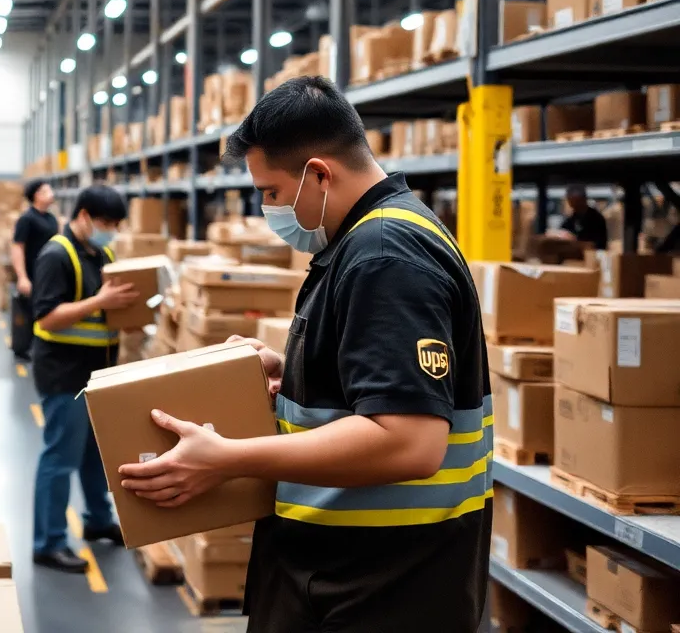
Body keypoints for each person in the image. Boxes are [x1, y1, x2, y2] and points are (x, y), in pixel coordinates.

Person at [118, 77, 492, 632]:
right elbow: (374, 382)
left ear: (318, 173)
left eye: (271, 192)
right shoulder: (368, 240)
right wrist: (293, 368)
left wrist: (227, 457)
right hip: (354, 571)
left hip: (382, 586)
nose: (268, 209)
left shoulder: (383, 255)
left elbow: (410, 442)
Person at [30, 185, 139, 573]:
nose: (111, 230)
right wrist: (100, 303)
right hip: (64, 373)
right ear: (83, 216)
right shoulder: (56, 255)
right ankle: (49, 542)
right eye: (106, 223)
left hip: (97, 373)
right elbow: (45, 318)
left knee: (96, 454)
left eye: (115, 225)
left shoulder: (103, 253)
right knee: (61, 456)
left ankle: (97, 520)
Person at [11, 180, 59, 360]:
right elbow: (17, 247)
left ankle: (42, 346)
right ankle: (26, 347)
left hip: (48, 274)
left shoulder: (51, 218)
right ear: (36, 195)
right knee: (31, 312)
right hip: (32, 273)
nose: (51, 192)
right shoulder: (27, 218)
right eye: (46, 190)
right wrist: (22, 277)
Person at [551, 184, 608, 250]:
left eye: (577, 201)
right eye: (571, 202)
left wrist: (576, 241)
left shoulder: (596, 219)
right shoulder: (572, 219)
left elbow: (599, 245)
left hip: (591, 256)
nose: (573, 205)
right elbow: (563, 231)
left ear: (584, 200)